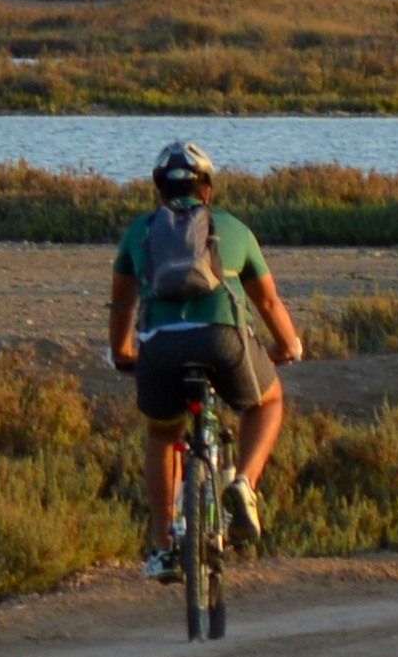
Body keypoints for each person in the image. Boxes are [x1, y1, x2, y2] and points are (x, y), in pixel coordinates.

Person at [110, 137, 312, 580]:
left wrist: (122, 353)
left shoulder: (139, 233)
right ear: (207, 189)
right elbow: (270, 303)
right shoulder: (233, 228)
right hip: (224, 341)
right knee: (267, 402)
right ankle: (243, 483)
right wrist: (288, 347)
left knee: (164, 434)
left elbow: (122, 305)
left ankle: (163, 544)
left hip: (160, 345)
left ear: (160, 190)